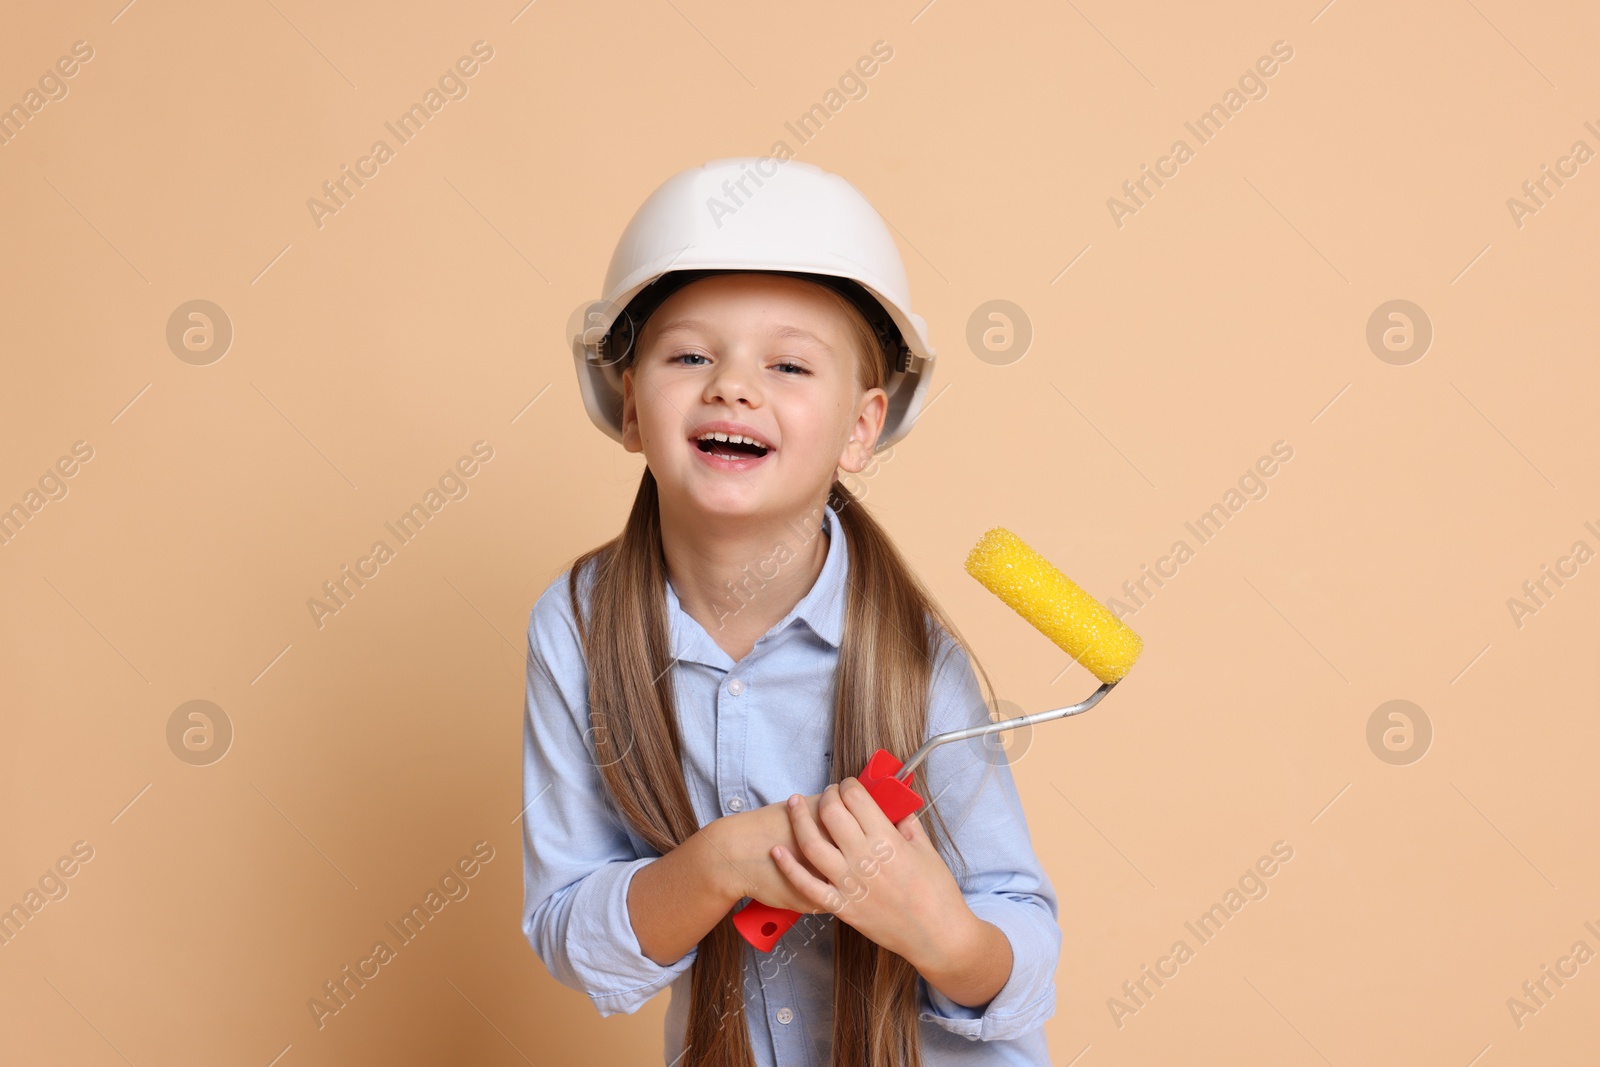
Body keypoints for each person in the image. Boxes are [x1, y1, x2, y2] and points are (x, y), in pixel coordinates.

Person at [521, 157, 1059, 1066]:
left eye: (790, 363)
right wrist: (723, 861)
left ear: (862, 427)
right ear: (627, 410)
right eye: (690, 354)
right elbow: (574, 935)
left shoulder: (911, 657)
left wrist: (938, 932)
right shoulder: (576, 627)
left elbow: (1026, 955)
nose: (734, 385)